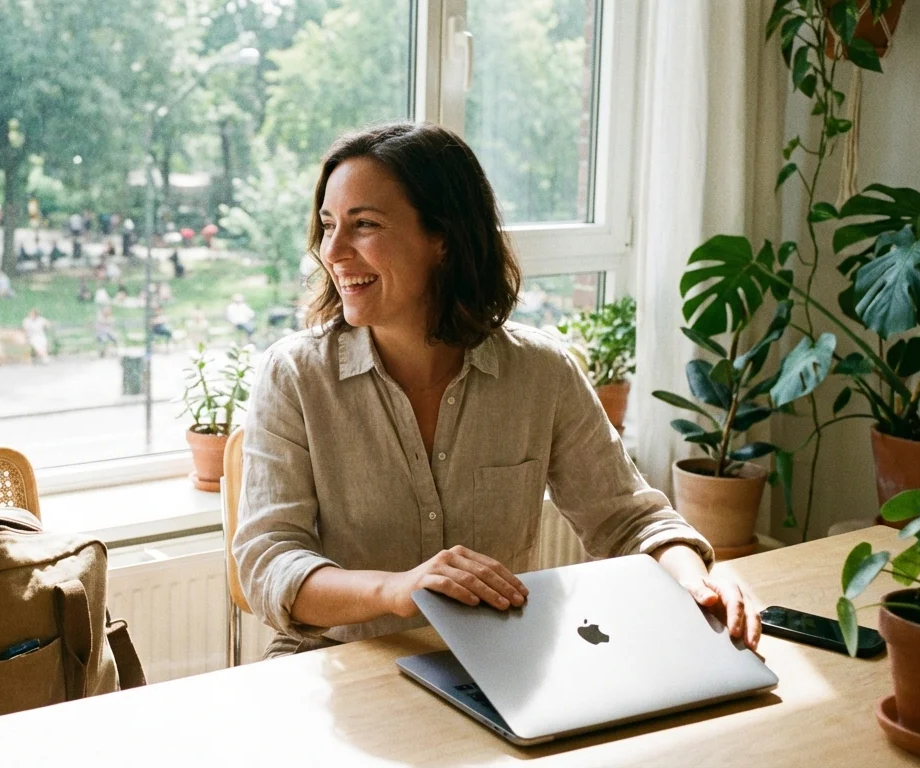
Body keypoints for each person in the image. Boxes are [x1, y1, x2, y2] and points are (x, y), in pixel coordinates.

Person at [233, 122, 756, 662]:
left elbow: (628, 520)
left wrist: (699, 583)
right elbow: (268, 562)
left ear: (442, 239)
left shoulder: (541, 372)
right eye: (327, 226)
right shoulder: (293, 375)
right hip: (331, 665)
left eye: (364, 225)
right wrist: (398, 589)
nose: (333, 250)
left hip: (491, 664)